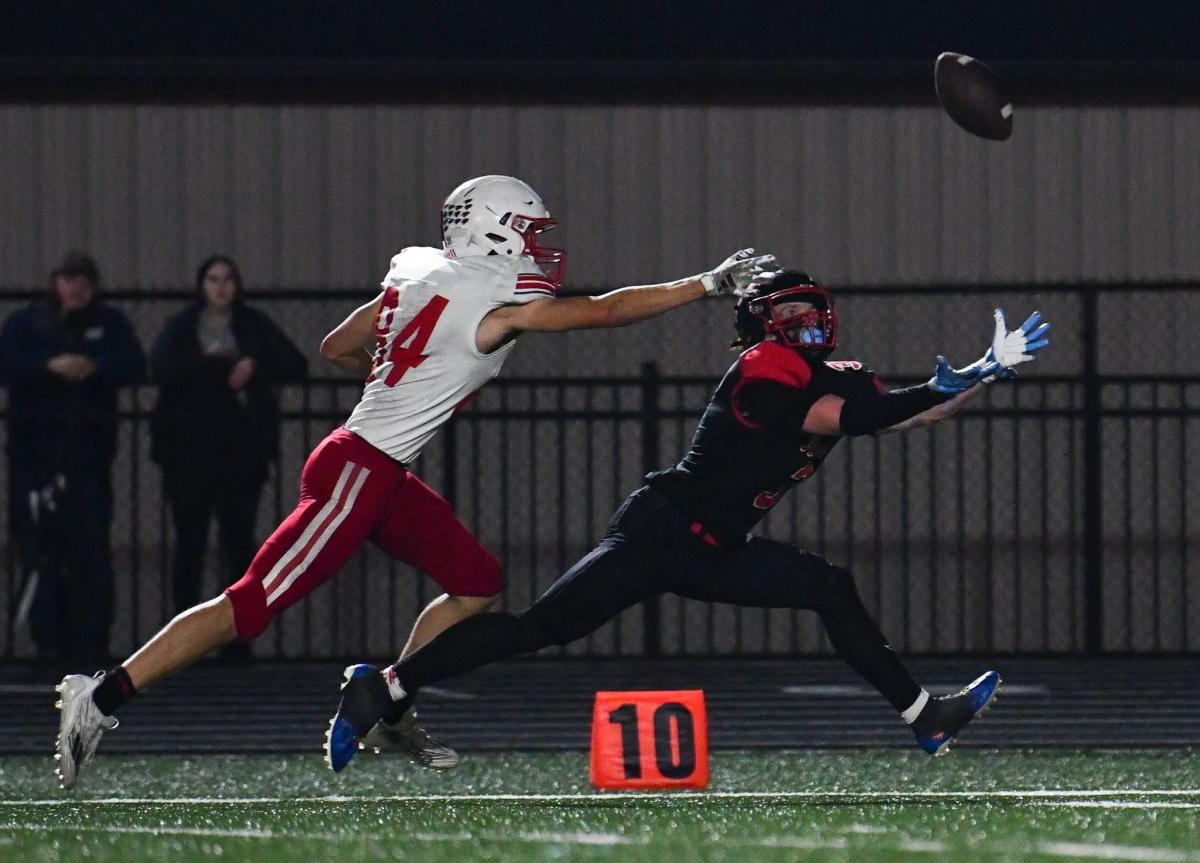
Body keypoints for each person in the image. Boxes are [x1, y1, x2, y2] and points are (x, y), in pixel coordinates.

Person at [52, 174, 774, 788]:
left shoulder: (415, 268)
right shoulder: (491, 305)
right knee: (249, 605)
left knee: (478, 581)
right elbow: (605, 310)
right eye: (525, 230)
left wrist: (400, 381)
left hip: (373, 464)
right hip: (360, 468)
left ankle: (388, 702)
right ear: (493, 231)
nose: (536, 245)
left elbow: (339, 345)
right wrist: (703, 284)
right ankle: (102, 692)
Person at [325, 268, 1052, 770]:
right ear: (762, 324)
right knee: (539, 627)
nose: (802, 325)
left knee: (828, 585)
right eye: (787, 314)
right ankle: (386, 686)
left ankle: (924, 715)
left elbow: (914, 412)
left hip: (717, 545)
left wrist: (985, 371)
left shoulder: (838, 375)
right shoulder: (764, 365)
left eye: (808, 312)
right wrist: (943, 381)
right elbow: (850, 417)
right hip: (661, 530)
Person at [150, 255, 307, 645]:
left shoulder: (253, 325)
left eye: (227, 279)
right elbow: (160, 367)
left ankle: (237, 641)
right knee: (190, 545)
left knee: (239, 546)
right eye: (212, 279)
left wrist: (256, 367)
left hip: (241, 455)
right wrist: (217, 372)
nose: (220, 287)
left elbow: (295, 363)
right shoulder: (183, 327)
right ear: (201, 285)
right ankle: (181, 642)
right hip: (189, 454)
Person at [0, 252, 146, 663]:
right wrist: (50, 368)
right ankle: (47, 639)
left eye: (83, 280)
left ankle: (90, 640)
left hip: (89, 456)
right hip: (34, 455)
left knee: (90, 548)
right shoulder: (29, 323)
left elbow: (133, 363)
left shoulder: (110, 323)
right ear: (55, 283)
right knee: (40, 546)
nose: (75, 288)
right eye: (68, 279)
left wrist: (92, 368)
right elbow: (8, 362)